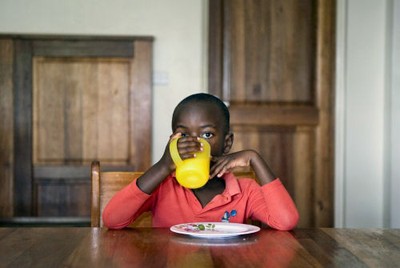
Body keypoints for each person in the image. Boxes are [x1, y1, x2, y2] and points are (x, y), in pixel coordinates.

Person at [103, 93, 299, 230]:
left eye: (207, 134)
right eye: (184, 134)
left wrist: (255, 158)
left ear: (227, 142)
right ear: (173, 141)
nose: (195, 143)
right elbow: (112, 220)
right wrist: (163, 166)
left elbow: (286, 221)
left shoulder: (243, 191)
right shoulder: (162, 186)